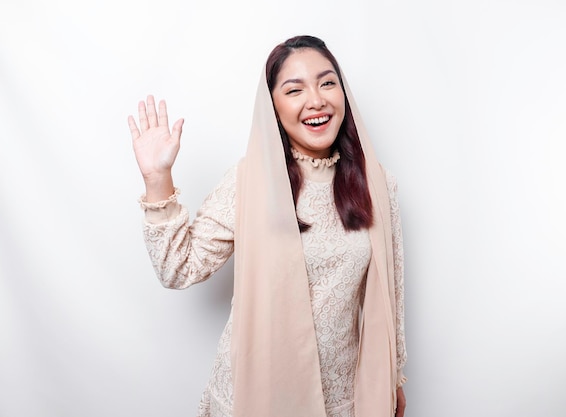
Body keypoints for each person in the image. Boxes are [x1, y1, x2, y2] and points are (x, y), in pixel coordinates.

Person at [127, 35, 407, 417]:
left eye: (327, 83)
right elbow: (178, 269)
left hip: (341, 402)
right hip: (255, 395)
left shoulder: (377, 184)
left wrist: (393, 377)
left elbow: (392, 290)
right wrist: (157, 177)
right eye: (295, 90)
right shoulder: (250, 182)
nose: (316, 100)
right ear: (273, 108)